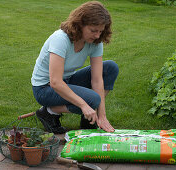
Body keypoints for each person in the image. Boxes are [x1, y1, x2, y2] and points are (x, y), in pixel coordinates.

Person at [31, 1, 119, 134]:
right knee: (93, 99)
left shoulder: (95, 41)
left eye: (100, 31)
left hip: (66, 80)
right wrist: (84, 105)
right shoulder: (60, 39)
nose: (97, 35)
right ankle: (48, 112)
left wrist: (102, 116)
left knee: (110, 68)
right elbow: (55, 82)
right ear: (80, 24)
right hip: (45, 88)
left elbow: (97, 79)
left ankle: (89, 117)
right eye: (93, 30)